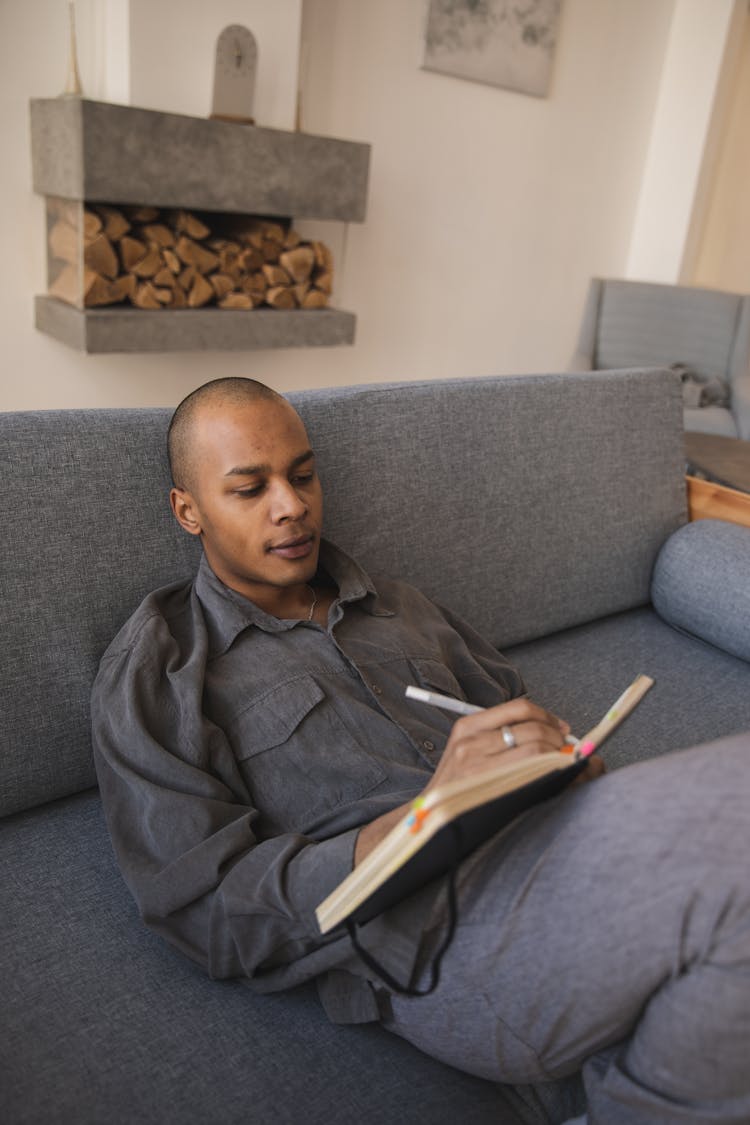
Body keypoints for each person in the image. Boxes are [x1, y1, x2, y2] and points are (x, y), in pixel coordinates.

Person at [91, 377, 750, 1124]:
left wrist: (552, 756)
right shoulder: (164, 667)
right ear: (189, 511)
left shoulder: (400, 605)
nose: (292, 505)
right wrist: (417, 820)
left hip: (554, 846)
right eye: (250, 488)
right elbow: (206, 908)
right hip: (424, 930)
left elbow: (508, 709)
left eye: (303, 475)